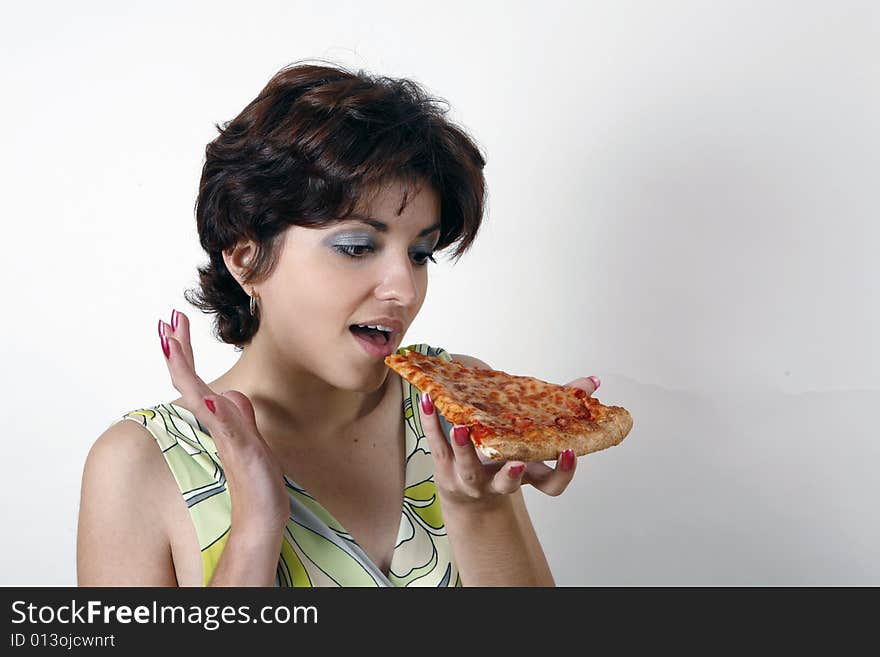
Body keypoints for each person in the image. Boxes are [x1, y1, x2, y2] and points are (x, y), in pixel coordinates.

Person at [76, 60, 598, 587]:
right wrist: (257, 528)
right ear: (245, 257)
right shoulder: (140, 466)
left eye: (420, 254)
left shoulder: (450, 411)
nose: (405, 288)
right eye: (356, 247)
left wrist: (481, 508)